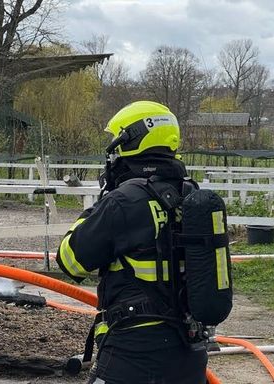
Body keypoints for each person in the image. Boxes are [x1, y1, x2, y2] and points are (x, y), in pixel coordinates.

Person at [56, 101, 208, 384]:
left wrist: (97, 208)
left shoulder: (124, 201)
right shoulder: (193, 196)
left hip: (136, 352)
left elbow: (70, 261)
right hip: (191, 351)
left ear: (131, 140)